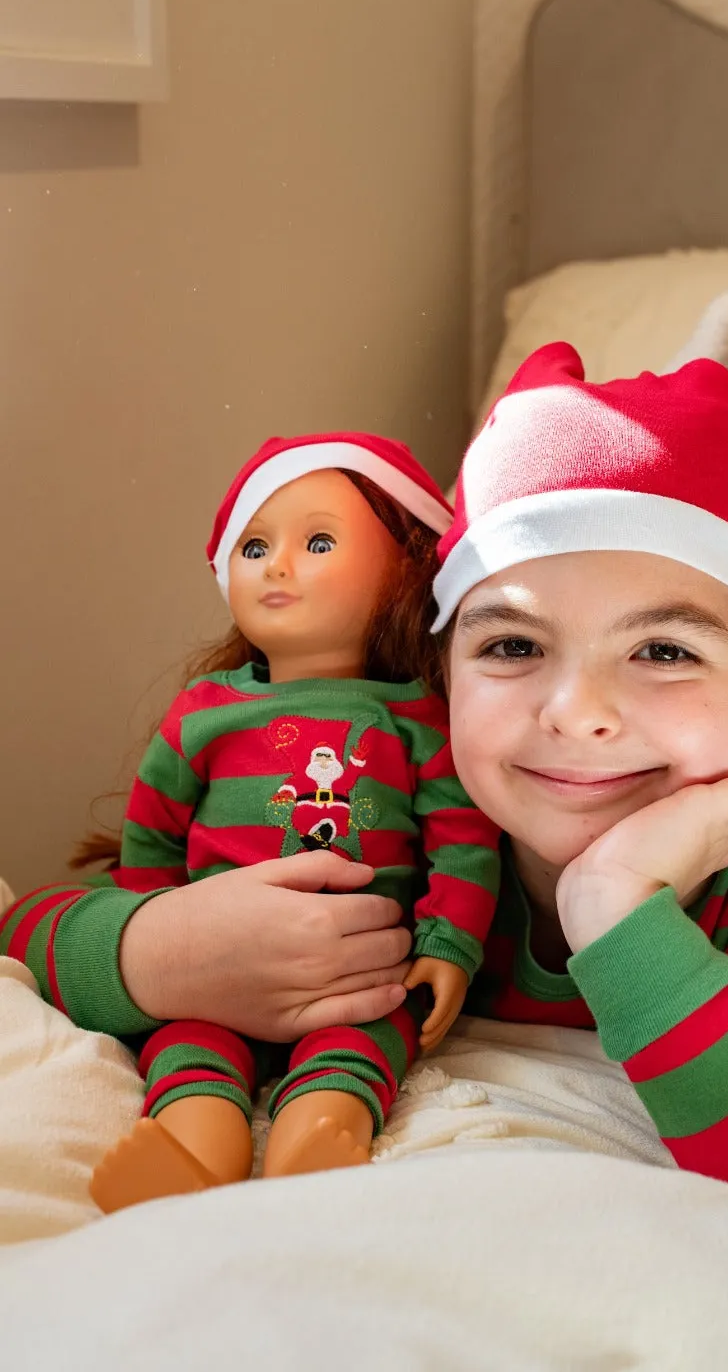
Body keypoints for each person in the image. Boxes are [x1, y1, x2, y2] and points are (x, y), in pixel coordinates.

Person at [5, 292, 728, 1245]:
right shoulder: (387, 787)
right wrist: (156, 949)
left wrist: (619, 915)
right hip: (722, 641)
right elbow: (46, 924)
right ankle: (671, 413)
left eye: (661, 649)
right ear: (440, 672)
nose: (577, 716)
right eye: (511, 645)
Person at [72, 432, 502, 1212]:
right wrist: (160, 928)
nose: (278, 564)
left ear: (406, 568)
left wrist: (448, 948)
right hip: (214, 974)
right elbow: (152, 835)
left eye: (319, 541)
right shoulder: (204, 716)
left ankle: (320, 1134)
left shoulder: (416, 720)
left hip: (362, 975)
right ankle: (192, 1147)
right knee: (191, 1049)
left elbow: (464, 842)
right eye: (256, 545)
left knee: (361, 1045)